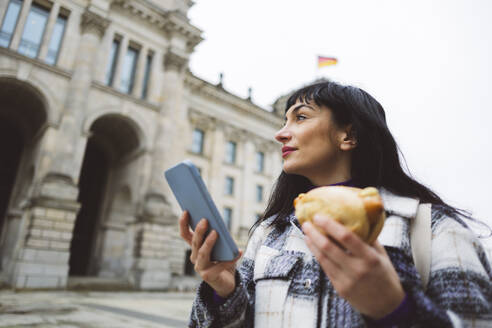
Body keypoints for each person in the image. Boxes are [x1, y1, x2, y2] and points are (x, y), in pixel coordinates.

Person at [179, 81, 492, 327]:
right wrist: (223, 291)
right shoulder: (269, 233)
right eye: (284, 120)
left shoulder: (433, 228)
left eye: (300, 117)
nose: (279, 133)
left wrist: (396, 310)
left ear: (349, 136)